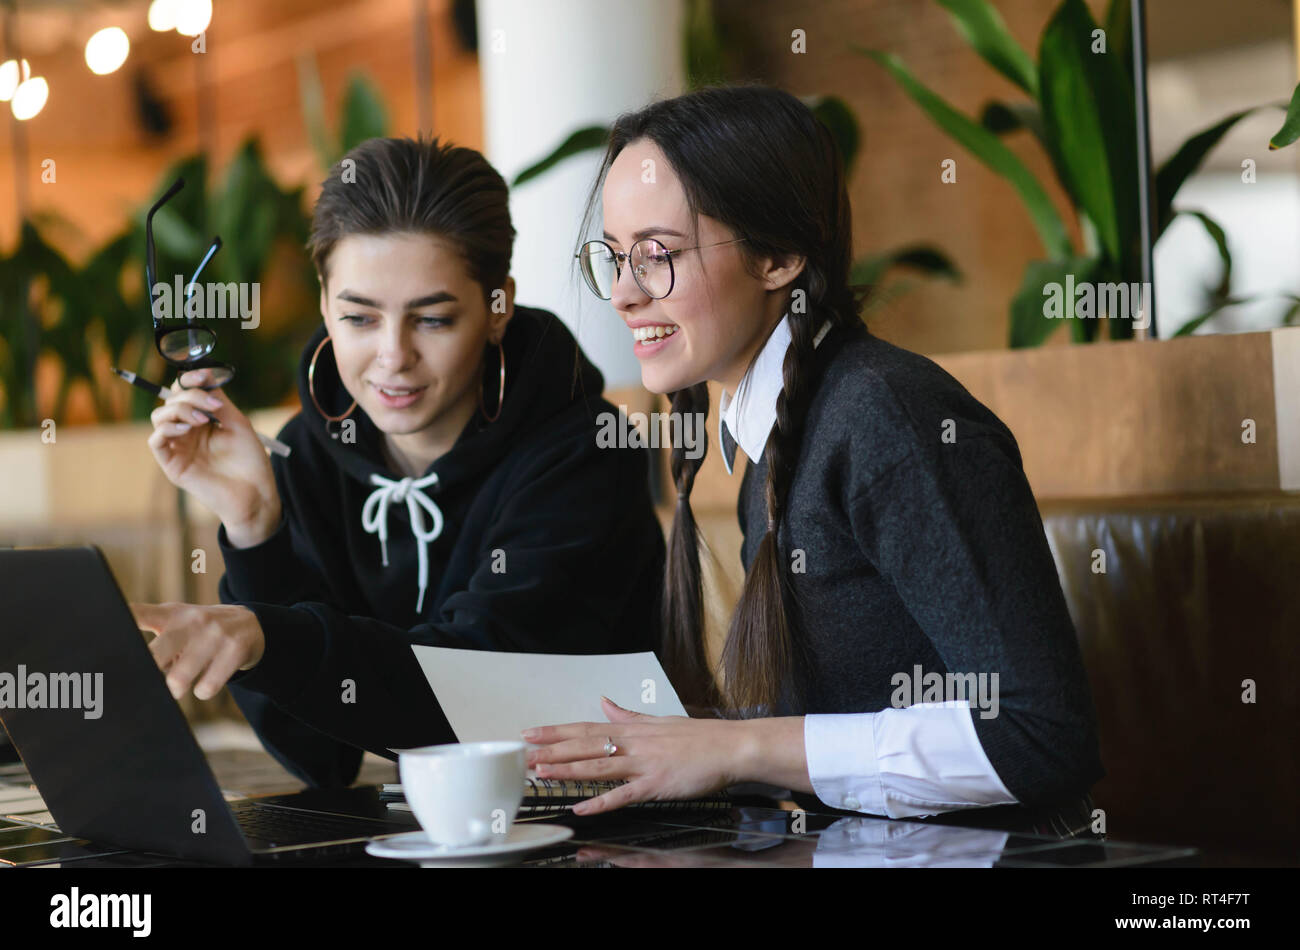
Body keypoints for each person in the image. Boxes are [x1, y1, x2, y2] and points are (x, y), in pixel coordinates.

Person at [524, 84, 1105, 825]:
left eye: (658, 255)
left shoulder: (887, 419)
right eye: (613, 258)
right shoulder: (768, 437)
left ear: (780, 256)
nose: (624, 294)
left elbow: (1043, 733)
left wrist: (736, 749)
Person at [135, 135, 666, 788]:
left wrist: (272, 637)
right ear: (326, 304)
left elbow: (472, 696)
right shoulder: (304, 455)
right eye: (359, 318)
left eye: (433, 320)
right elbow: (320, 757)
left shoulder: (583, 454)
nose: (392, 355)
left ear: (497, 307)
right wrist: (253, 531)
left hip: (609, 828)